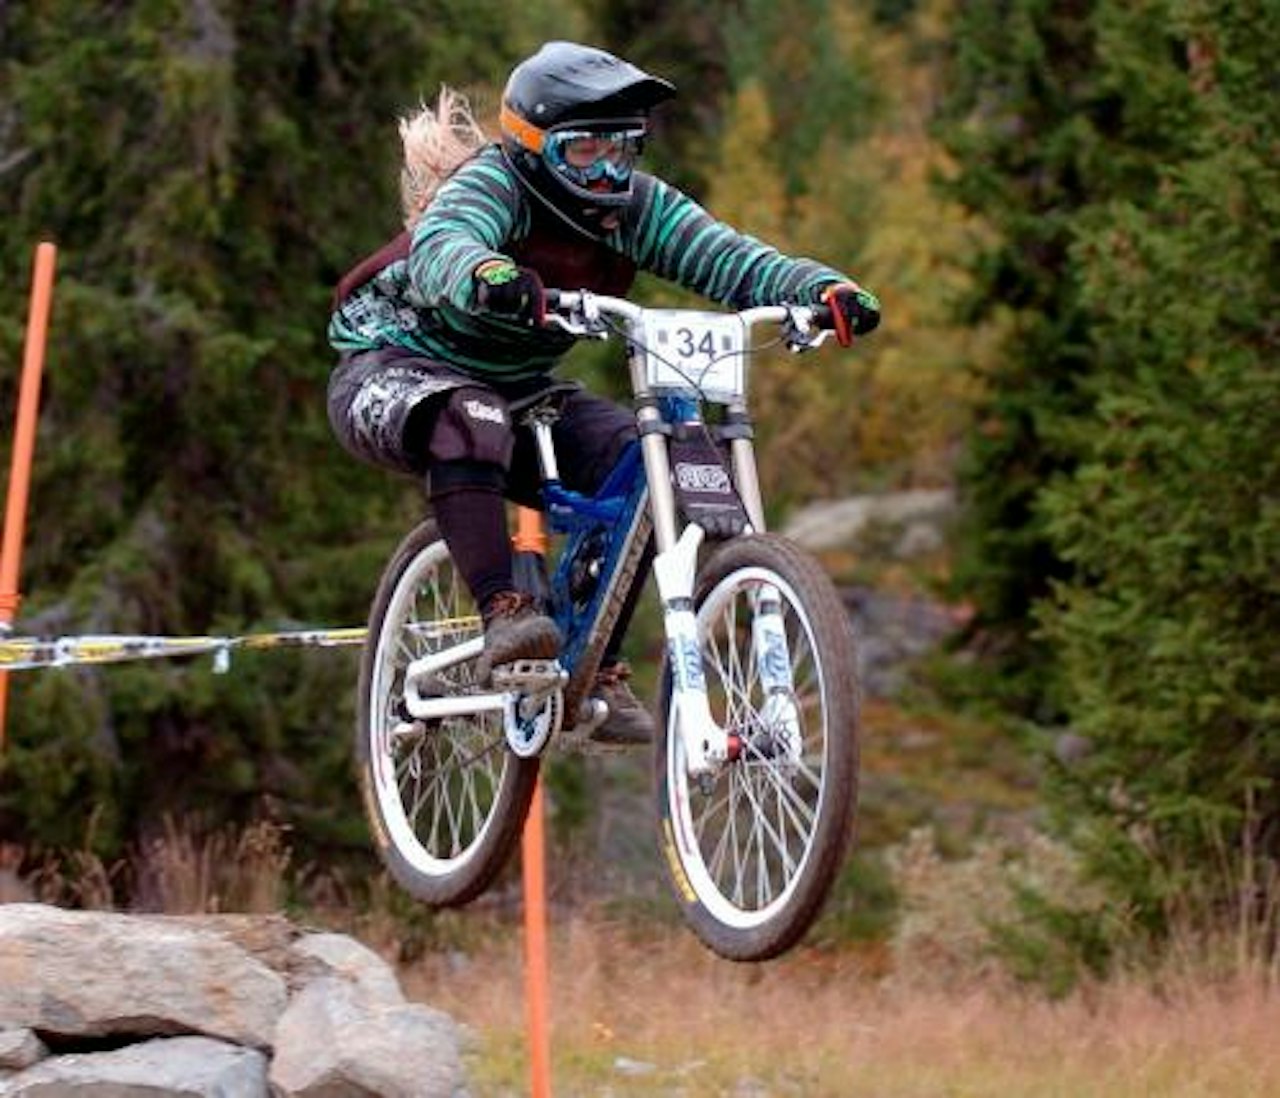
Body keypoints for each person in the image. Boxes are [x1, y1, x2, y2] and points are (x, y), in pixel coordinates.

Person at [328, 41, 880, 746]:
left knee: (648, 464)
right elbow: (446, 243)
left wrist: (815, 288)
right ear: (532, 150)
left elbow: (728, 256)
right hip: (392, 370)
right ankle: (503, 610)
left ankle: (598, 662)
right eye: (584, 152)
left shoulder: (635, 209)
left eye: (623, 149)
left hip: (521, 391)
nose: (609, 170)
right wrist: (488, 274)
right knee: (474, 414)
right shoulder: (493, 184)